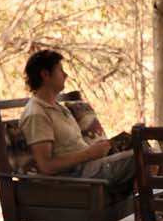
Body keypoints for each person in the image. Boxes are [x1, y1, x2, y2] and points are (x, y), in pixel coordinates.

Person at [18, 49, 134, 189]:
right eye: (60, 70)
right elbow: (46, 166)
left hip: (89, 166)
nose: (65, 75)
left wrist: (99, 149)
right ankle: (147, 206)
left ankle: (150, 204)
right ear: (45, 75)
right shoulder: (36, 114)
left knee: (137, 143)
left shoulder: (59, 108)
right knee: (140, 156)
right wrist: (89, 153)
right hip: (76, 176)